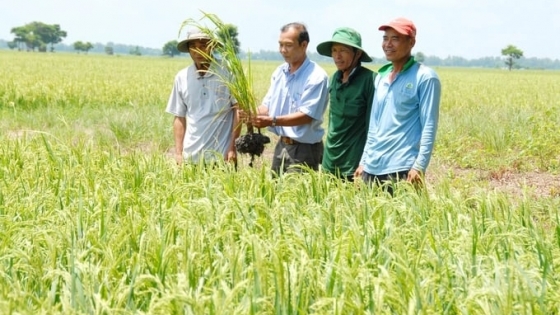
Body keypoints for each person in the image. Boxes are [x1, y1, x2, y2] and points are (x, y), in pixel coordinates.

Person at [355, 17, 441, 193]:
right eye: (385, 38)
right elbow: (374, 125)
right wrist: (364, 161)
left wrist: (419, 166)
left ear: (411, 42)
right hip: (372, 166)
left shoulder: (425, 77)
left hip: (402, 167)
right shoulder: (381, 77)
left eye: (395, 38)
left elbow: (429, 125)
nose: (388, 44)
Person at [246, 22, 329, 175]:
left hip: (304, 149)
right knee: (277, 193)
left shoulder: (316, 77)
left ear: (304, 45)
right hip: (282, 145)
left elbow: (307, 115)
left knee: (298, 196)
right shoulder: (280, 73)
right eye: (280, 45)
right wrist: (251, 114)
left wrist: (271, 121)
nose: (283, 50)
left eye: (288, 45)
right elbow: (268, 106)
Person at [165, 29, 241, 165]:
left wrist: (232, 147)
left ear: (212, 47)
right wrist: (178, 153)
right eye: (193, 47)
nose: (198, 51)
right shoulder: (182, 77)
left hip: (222, 156)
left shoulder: (228, 72)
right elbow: (179, 117)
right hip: (191, 157)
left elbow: (238, 110)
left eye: (203, 46)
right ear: (188, 50)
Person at [316, 27, 376, 181]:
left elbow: (373, 126)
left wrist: (366, 162)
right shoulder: (334, 79)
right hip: (330, 162)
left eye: (343, 50)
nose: (337, 55)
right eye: (334, 50)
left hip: (354, 165)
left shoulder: (370, 80)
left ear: (357, 54)